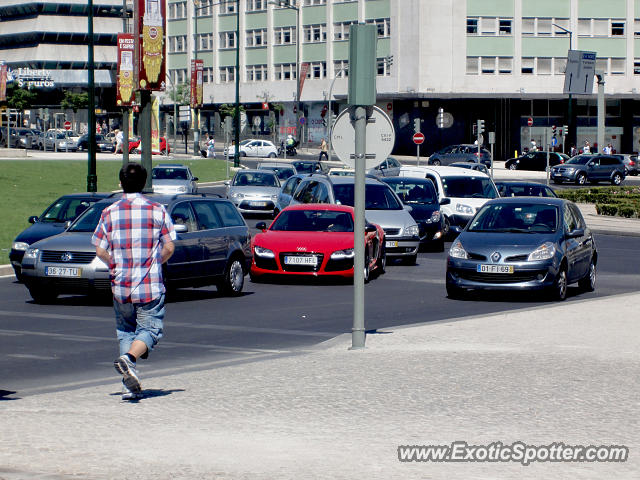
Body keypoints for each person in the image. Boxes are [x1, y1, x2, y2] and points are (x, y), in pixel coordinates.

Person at [92, 163, 176, 401]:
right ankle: (128, 360)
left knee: (125, 331)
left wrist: (115, 263)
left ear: (121, 183)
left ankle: (128, 387)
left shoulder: (109, 212)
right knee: (151, 329)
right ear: (144, 183)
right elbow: (170, 246)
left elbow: (99, 249)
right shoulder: (157, 210)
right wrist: (154, 262)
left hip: (120, 285)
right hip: (149, 284)